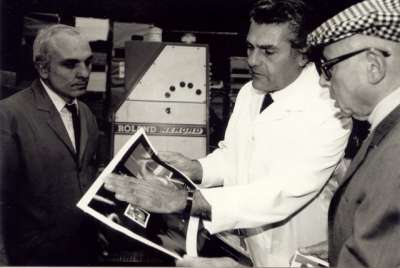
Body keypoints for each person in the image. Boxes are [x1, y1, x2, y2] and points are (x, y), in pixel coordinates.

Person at [105, 0, 351, 266]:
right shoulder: (250, 93)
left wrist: (187, 200)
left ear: (303, 54)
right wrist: (197, 168)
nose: (253, 61)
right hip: (249, 250)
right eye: (250, 47)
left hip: (297, 253)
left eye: (268, 52)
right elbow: (234, 155)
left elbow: (283, 192)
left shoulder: (330, 104)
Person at [301, 0, 400, 267]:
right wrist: (344, 245)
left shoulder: (395, 152)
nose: (323, 80)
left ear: (374, 66)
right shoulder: (386, 133)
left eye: (328, 67)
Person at [0, 24, 100, 265]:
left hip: (83, 252)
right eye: (71, 64)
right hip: (32, 258)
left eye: (88, 62)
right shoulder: (9, 114)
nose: (84, 73)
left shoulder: (86, 113)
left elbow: (84, 177)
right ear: (43, 68)